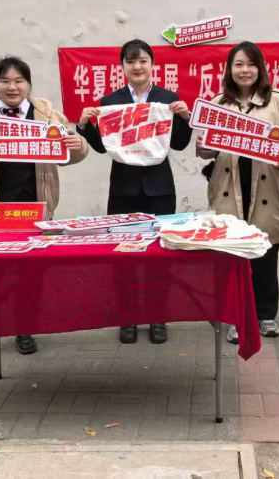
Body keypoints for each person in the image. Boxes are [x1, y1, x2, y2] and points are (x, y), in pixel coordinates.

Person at [0, 56, 89, 362]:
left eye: (18, 81)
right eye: (5, 81)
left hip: (36, 211)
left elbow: (69, 154)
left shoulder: (48, 116)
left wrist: (79, 146)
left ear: (28, 84)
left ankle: (24, 327)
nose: (12, 87)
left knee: (28, 274)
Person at [77, 39, 193, 345]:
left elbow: (179, 143)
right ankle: (126, 316)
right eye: (130, 61)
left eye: (142, 60)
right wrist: (85, 124)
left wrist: (184, 117)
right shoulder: (110, 101)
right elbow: (102, 146)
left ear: (152, 64)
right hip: (123, 189)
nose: (137, 67)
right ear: (122, 66)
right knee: (123, 254)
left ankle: (158, 316)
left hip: (160, 189)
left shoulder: (167, 98)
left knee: (160, 254)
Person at [195, 41, 279, 344]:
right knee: (233, 256)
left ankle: (265, 314)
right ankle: (236, 316)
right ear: (229, 69)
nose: (245, 70)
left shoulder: (278, 100)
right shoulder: (218, 102)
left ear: (260, 68)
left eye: (251, 64)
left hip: (267, 186)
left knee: (265, 254)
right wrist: (203, 145)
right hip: (229, 186)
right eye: (238, 64)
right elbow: (206, 150)